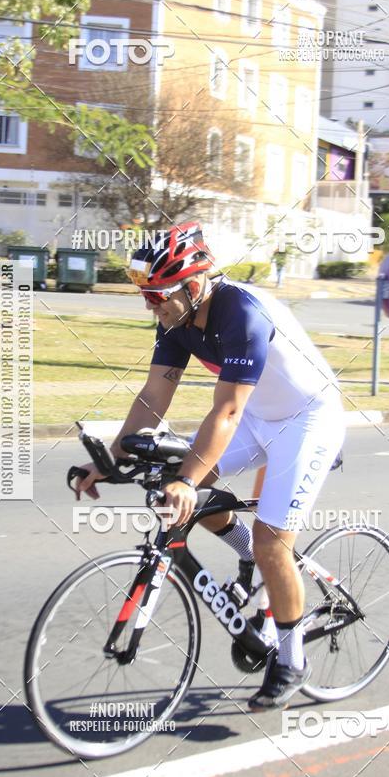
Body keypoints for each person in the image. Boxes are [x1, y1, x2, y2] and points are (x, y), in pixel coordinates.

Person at [76, 222, 345, 711]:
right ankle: (248, 556)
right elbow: (154, 395)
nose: (149, 307)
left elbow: (225, 412)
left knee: (270, 540)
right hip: (258, 417)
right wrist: (110, 461)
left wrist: (186, 479)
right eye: (146, 295)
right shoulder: (176, 322)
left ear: (193, 286)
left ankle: (291, 660)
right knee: (186, 488)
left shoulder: (240, 312)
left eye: (157, 296)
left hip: (307, 421)